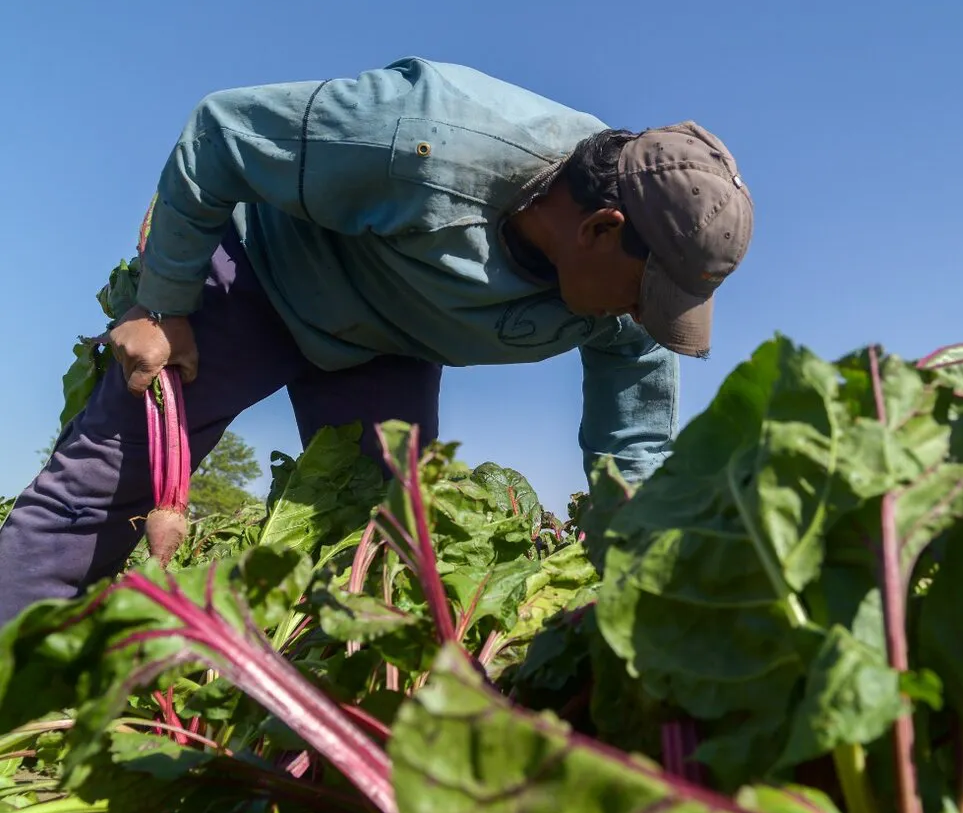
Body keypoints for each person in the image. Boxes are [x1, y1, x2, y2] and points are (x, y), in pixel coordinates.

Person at [0, 56, 753, 624]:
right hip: (264, 280)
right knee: (94, 496)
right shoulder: (429, 135)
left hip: (389, 345)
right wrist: (161, 304)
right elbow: (221, 131)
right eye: (646, 294)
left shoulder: (638, 304)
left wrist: (655, 585)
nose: (646, 317)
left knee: (379, 552)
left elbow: (635, 459)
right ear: (600, 228)